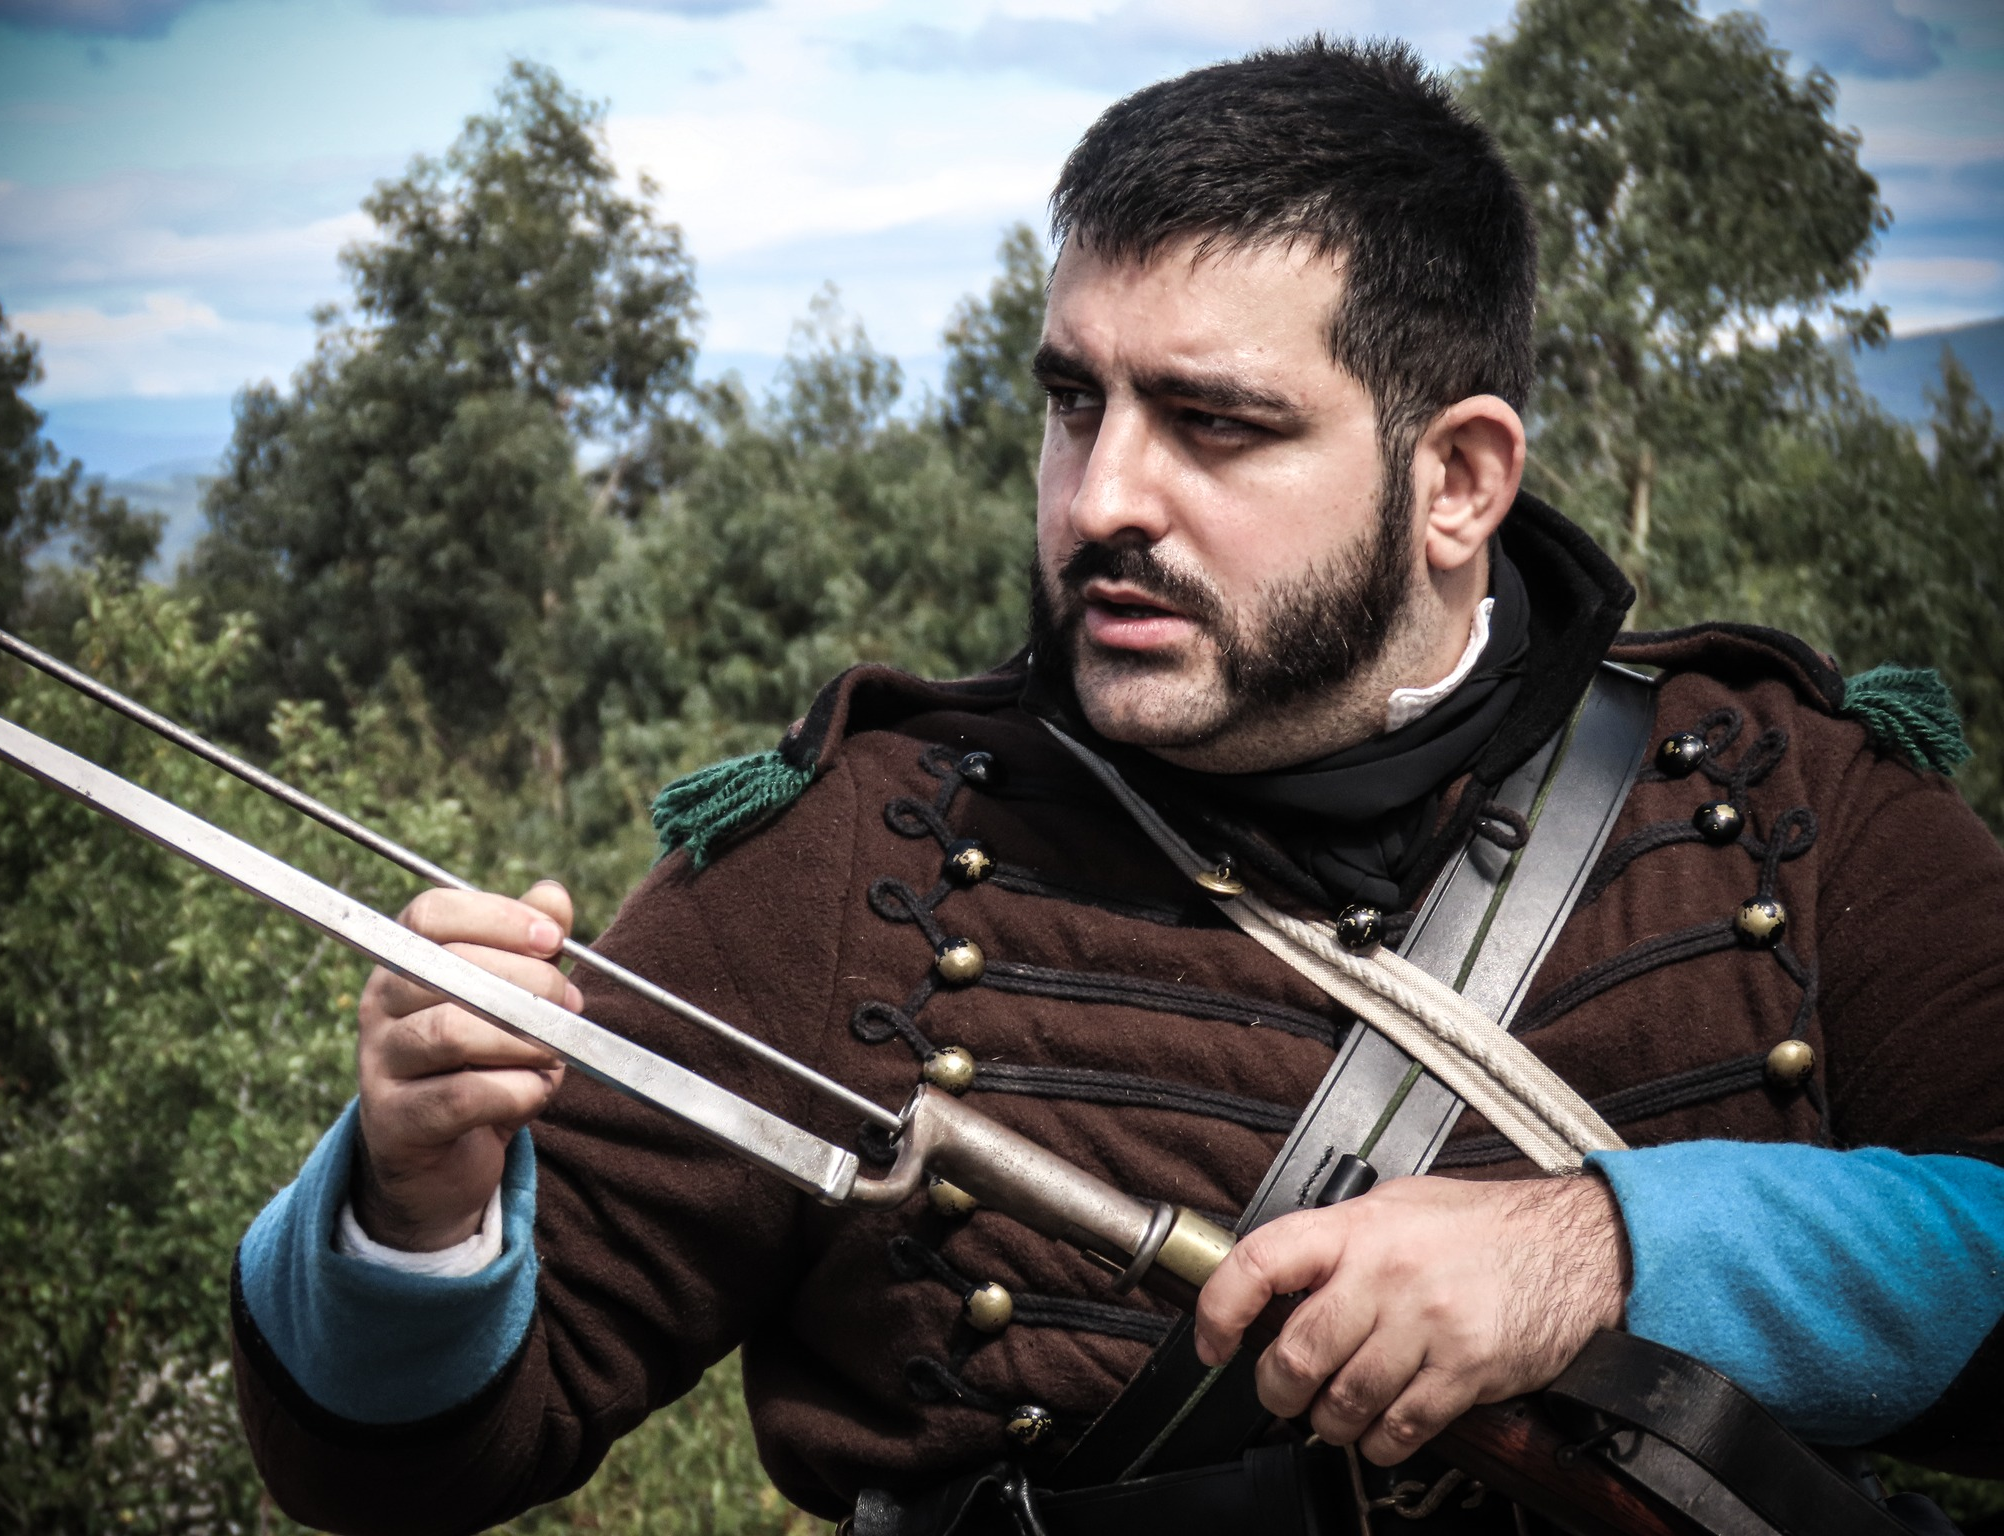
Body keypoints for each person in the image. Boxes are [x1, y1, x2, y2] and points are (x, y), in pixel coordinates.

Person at [230, 37, 2004, 1535]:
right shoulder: (857, 852)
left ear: (1459, 480)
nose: (1099, 503)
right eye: (1074, 403)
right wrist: (414, 1206)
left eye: (1214, 423)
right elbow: (398, 1468)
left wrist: (1602, 1254)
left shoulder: (1781, 794)